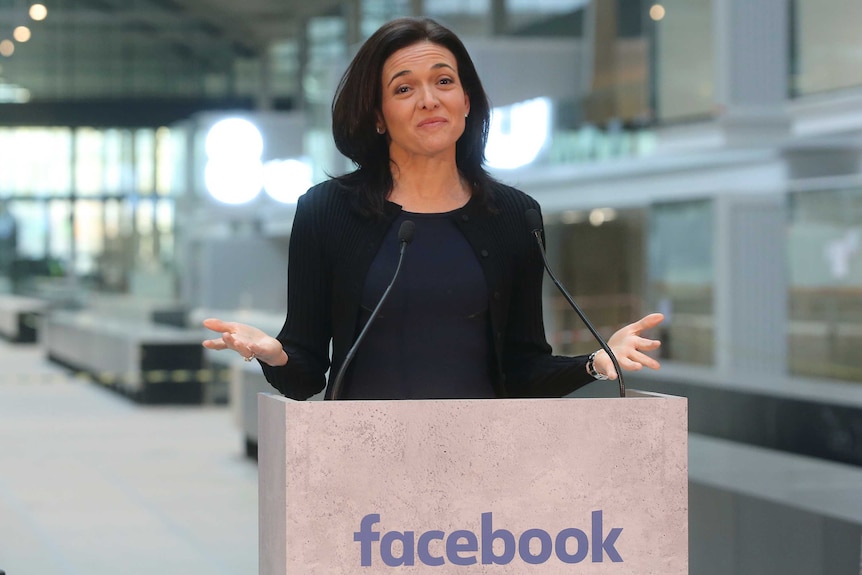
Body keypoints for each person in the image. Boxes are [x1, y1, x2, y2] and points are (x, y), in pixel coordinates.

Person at [202, 16, 663, 400]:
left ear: (466, 101)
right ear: (378, 116)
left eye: (444, 81)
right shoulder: (327, 211)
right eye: (404, 89)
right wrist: (274, 353)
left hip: (484, 465)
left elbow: (522, 370)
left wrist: (595, 363)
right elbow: (304, 378)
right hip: (362, 465)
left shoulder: (514, 215)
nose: (429, 99)